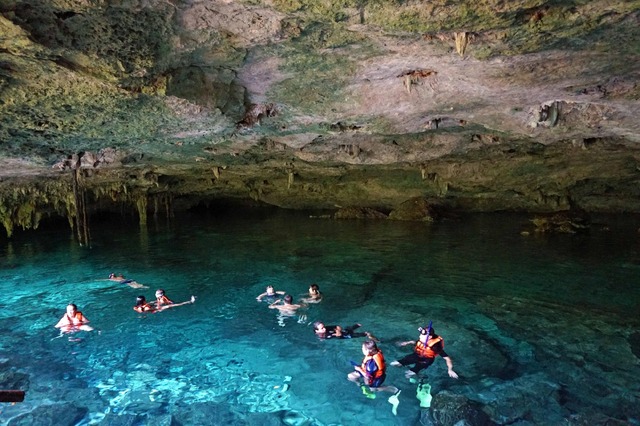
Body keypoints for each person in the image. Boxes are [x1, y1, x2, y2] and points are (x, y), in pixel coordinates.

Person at [390, 323, 459, 380]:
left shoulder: (435, 347)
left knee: (409, 374)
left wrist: (450, 369)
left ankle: (417, 374)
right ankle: (407, 367)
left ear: (429, 337)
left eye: (422, 335)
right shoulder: (423, 339)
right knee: (396, 363)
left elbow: (447, 358)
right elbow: (417, 342)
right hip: (417, 355)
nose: (420, 336)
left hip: (426, 360)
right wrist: (406, 343)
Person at [313, 321, 378, 341]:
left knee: (347, 330)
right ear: (317, 331)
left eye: (324, 326)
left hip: (343, 332)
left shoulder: (326, 328)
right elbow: (339, 336)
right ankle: (367, 334)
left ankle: (357, 326)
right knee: (352, 335)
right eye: (322, 328)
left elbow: (337, 326)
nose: (324, 328)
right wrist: (337, 332)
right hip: (344, 336)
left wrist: (338, 330)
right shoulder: (323, 336)